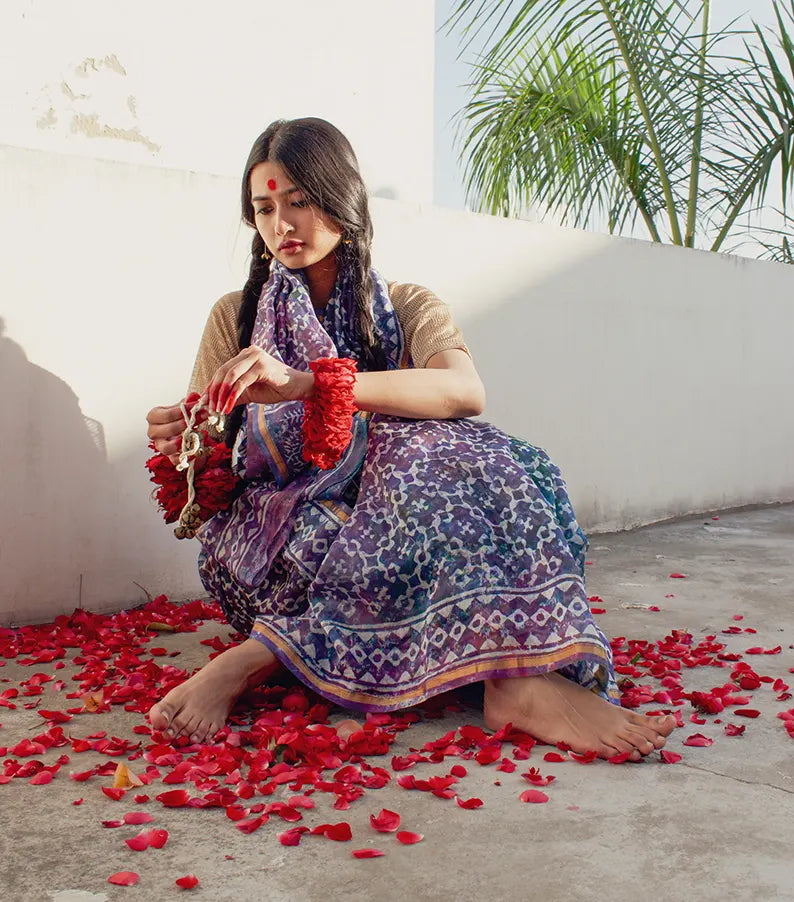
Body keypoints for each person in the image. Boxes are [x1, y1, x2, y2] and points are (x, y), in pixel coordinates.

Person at [146, 117, 675, 758]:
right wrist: (181, 438)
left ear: (343, 201)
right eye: (263, 208)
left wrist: (313, 383)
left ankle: (516, 682)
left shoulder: (406, 304)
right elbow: (205, 466)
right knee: (377, 496)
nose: (281, 224)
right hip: (276, 541)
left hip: (402, 525)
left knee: (486, 456)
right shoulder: (235, 316)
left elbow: (462, 392)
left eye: (299, 201)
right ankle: (249, 661)